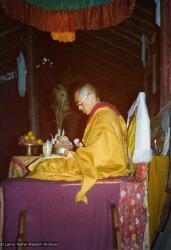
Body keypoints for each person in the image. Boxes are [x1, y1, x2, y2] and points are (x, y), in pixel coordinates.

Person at [26, 82, 129, 203]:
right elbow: (98, 148)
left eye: (80, 103)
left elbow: (101, 156)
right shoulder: (101, 115)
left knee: (46, 166)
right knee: (48, 163)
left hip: (104, 167)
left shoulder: (104, 117)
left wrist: (76, 155)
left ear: (90, 96)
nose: (79, 108)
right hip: (96, 162)